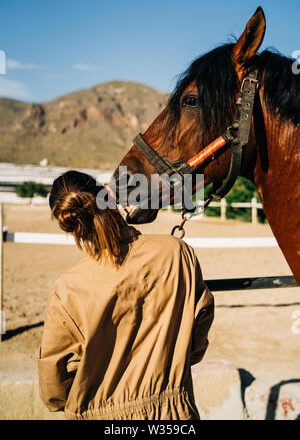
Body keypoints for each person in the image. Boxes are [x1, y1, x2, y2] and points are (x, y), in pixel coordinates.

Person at [38, 170, 214, 420]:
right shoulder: (176, 253)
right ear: (109, 196)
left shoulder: (67, 288)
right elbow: (198, 337)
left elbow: (53, 389)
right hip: (174, 415)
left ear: (71, 229)